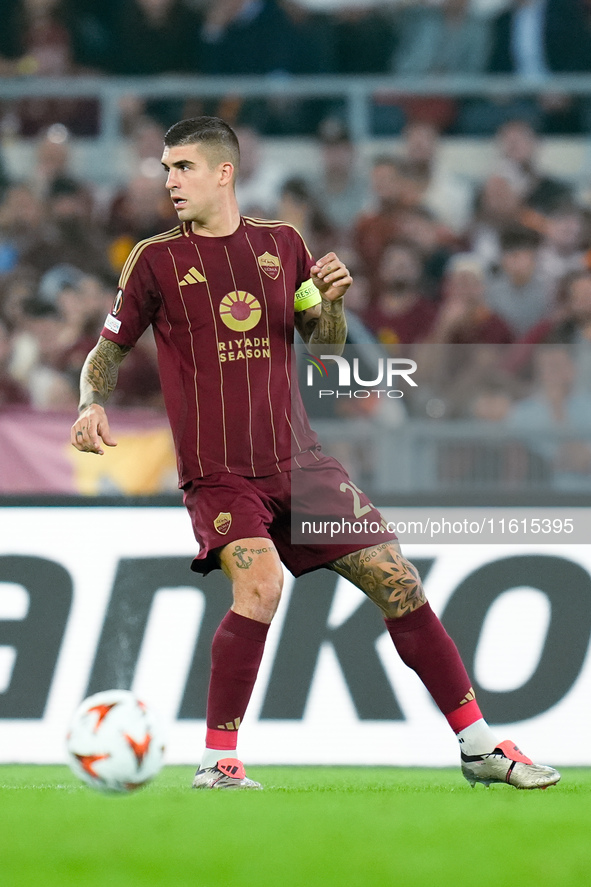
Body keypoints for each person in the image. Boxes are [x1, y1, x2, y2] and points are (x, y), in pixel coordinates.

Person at [71, 116, 559, 791]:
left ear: (223, 172)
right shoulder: (155, 259)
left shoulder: (283, 245)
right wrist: (89, 402)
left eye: (182, 167)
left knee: (396, 578)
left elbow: (324, 349)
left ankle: (478, 746)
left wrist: (330, 302)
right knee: (261, 585)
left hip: (299, 463)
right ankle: (218, 761)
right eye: (164, 168)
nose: (169, 181)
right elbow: (107, 350)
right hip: (220, 472)